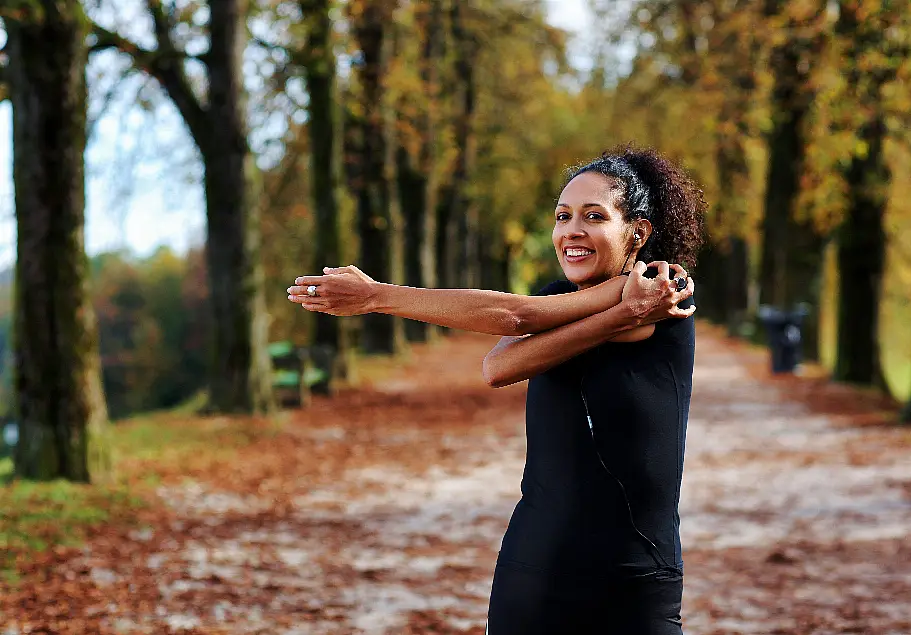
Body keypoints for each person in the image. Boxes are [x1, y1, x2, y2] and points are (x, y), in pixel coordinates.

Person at [287, 144, 706, 634]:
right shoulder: (573, 300)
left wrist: (378, 296)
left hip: (636, 569)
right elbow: (500, 365)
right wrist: (621, 316)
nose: (572, 230)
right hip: (538, 559)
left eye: (594, 216)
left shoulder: (661, 285)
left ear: (638, 231)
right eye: (562, 216)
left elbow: (516, 316)